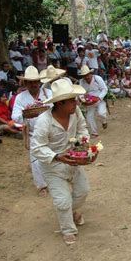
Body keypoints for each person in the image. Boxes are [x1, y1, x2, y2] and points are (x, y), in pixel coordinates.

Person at [31, 79, 91, 245]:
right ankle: (68, 229)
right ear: (60, 103)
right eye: (72, 100)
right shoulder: (44, 121)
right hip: (52, 165)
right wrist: (57, 156)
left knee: (83, 191)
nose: (75, 102)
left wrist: (81, 142)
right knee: (62, 200)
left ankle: (70, 213)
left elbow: (82, 129)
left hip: (72, 159)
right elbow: (36, 148)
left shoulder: (75, 111)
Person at [11, 66, 51, 196]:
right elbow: (15, 116)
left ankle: (55, 180)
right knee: (36, 160)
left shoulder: (48, 93)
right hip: (33, 132)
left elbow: (56, 108)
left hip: (51, 131)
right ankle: (42, 186)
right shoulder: (20, 98)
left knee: (54, 157)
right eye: (30, 82)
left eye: (36, 81)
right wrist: (26, 114)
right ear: (26, 83)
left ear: (39, 82)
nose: (34, 84)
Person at [78, 66, 108, 137]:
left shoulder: (97, 79)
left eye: (87, 75)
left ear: (90, 73)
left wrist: (99, 98)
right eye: (84, 76)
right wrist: (83, 101)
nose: (87, 77)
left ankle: (104, 121)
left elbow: (104, 89)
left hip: (99, 100)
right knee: (89, 117)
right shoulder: (81, 82)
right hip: (89, 102)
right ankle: (94, 132)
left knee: (101, 114)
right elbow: (80, 93)